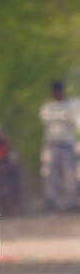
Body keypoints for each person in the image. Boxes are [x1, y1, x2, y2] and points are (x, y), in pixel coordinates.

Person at [40, 81, 80, 211]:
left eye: (59, 90)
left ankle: (72, 203)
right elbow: (45, 119)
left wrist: (60, 118)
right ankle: (52, 203)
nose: (57, 93)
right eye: (55, 90)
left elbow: (75, 120)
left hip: (67, 144)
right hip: (52, 145)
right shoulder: (47, 106)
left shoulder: (71, 104)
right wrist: (64, 116)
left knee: (70, 175)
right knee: (51, 175)